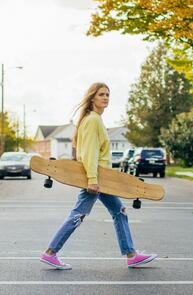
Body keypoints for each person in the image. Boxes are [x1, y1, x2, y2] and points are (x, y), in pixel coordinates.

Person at [40, 82, 157, 270]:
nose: (105, 98)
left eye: (108, 95)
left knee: (120, 212)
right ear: (92, 97)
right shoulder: (92, 120)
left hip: (104, 178)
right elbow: (89, 153)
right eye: (101, 94)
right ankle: (50, 252)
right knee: (79, 214)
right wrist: (92, 180)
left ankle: (131, 254)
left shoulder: (95, 119)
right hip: (96, 178)